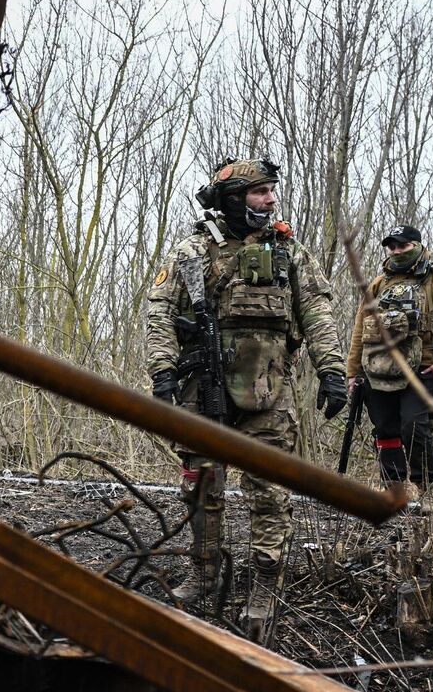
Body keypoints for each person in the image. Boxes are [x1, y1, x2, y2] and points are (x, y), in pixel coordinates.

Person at [145, 159, 347, 634]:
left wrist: (332, 370)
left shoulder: (287, 250)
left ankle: (265, 585)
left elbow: (317, 313)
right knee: (200, 484)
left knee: (269, 491)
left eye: (271, 191)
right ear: (234, 197)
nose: (270, 199)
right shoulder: (193, 251)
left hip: (269, 389)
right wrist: (162, 372)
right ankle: (204, 574)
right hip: (203, 386)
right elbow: (159, 313)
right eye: (259, 192)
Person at [345, 224, 433, 502]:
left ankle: (426, 490)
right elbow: (360, 329)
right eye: (393, 247)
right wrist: (353, 371)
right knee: (385, 428)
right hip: (377, 370)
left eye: (403, 246)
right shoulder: (379, 283)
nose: (397, 251)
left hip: (421, 368)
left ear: (418, 245)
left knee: (415, 426)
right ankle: (393, 488)